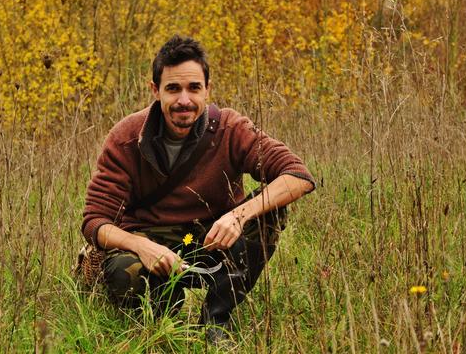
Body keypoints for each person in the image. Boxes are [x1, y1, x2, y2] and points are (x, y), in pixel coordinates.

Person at [80, 35, 314, 343]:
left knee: (269, 212)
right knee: (125, 270)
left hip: (212, 237)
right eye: (173, 89)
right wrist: (141, 246)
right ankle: (161, 319)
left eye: (194, 88)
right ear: (155, 91)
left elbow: (297, 174)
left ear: (208, 89)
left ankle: (216, 319)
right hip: (152, 240)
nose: (184, 101)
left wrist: (239, 215)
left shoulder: (230, 128)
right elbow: (95, 221)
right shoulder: (126, 137)